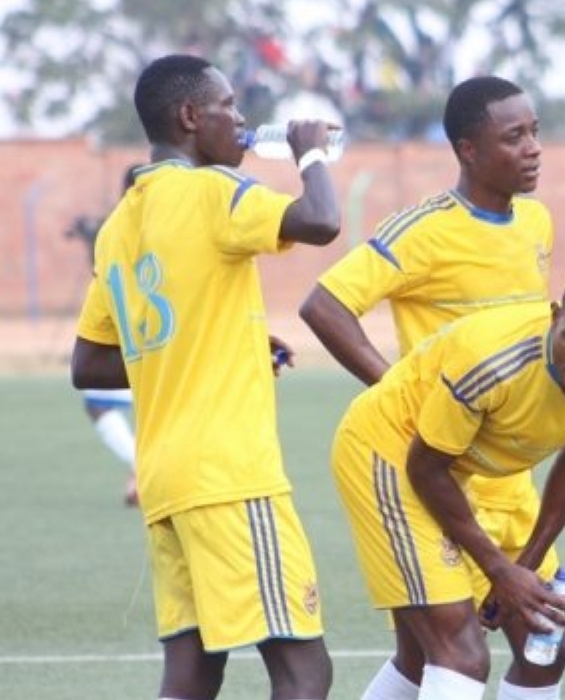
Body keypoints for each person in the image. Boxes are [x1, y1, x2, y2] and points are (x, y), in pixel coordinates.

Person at [70, 53, 342, 700]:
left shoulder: (119, 225)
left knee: (192, 675)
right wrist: (309, 156)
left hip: (165, 477)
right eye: (229, 106)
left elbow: (91, 363)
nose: (243, 121)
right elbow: (322, 221)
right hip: (228, 475)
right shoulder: (210, 190)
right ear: (191, 116)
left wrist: (224, 346)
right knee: (305, 672)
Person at [298, 76, 561, 700]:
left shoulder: (537, 223)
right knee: (455, 653)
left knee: (542, 642)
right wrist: (400, 393)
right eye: (514, 136)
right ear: (468, 150)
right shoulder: (424, 229)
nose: (532, 149)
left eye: (535, 133)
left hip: (505, 479)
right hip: (430, 472)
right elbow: (325, 305)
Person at [329, 264, 565, 700]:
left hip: (456, 470)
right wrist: (499, 570)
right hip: (388, 450)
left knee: (545, 645)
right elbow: (424, 467)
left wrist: (523, 567)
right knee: (459, 653)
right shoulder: (493, 362)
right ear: (556, 316)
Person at [70, 164, 143, 507]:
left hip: (144, 338)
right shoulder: (115, 229)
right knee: (99, 402)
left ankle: (143, 471)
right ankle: (141, 470)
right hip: (126, 338)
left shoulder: (122, 230)